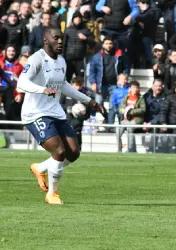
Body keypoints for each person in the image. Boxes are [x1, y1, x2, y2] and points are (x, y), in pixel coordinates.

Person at [17, 28, 98, 205]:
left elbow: (63, 85)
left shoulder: (61, 60)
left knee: (74, 153)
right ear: (46, 41)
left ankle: (40, 168)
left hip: (55, 112)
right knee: (59, 151)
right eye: (56, 38)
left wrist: (88, 100)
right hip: (35, 113)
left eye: (61, 39)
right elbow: (21, 83)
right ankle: (52, 194)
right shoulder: (36, 59)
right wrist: (42, 89)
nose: (60, 42)